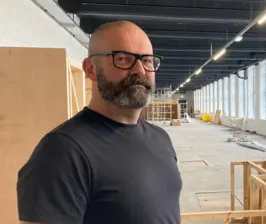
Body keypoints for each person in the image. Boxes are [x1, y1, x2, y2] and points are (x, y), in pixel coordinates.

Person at [16, 21, 182, 224]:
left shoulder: (160, 138)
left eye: (147, 61)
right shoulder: (62, 151)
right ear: (91, 69)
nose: (140, 70)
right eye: (123, 58)